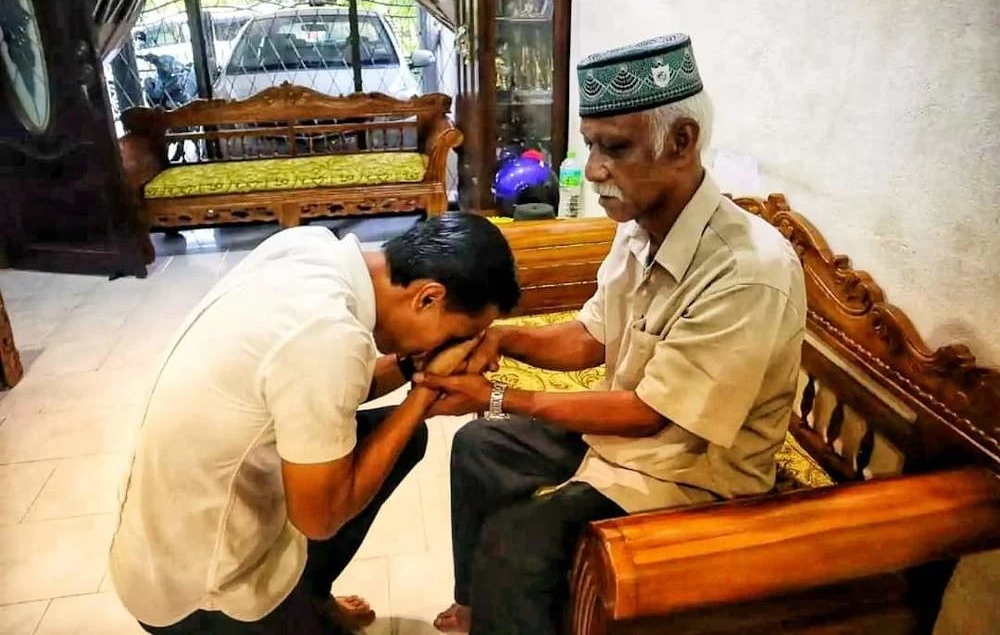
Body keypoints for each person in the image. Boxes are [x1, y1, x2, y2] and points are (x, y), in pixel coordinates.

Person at [425, 34, 808, 635]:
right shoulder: (640, 225)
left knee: (516, 542)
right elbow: (589, 337)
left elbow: (651, 415)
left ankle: (505, 604)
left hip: (691, 476)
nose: (595, 169)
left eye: (615, 148)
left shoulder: (747, 271)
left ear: (682, 143)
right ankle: (480, 609)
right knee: (481, 450)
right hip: (622, 442)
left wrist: (497, 396)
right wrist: (503, 339)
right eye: (590, 146)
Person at [108, 214, 521, 634]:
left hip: (157, 537)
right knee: (387, 444)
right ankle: (291, 602)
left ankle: (311, 590)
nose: (454, 345)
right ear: (428, 298)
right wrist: (426, 391)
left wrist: (414, 364)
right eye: (460, 333)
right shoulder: (328, 336)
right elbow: (319, 519)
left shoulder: (310, 248)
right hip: (202, 591)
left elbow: (327, 387)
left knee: (405, 437)